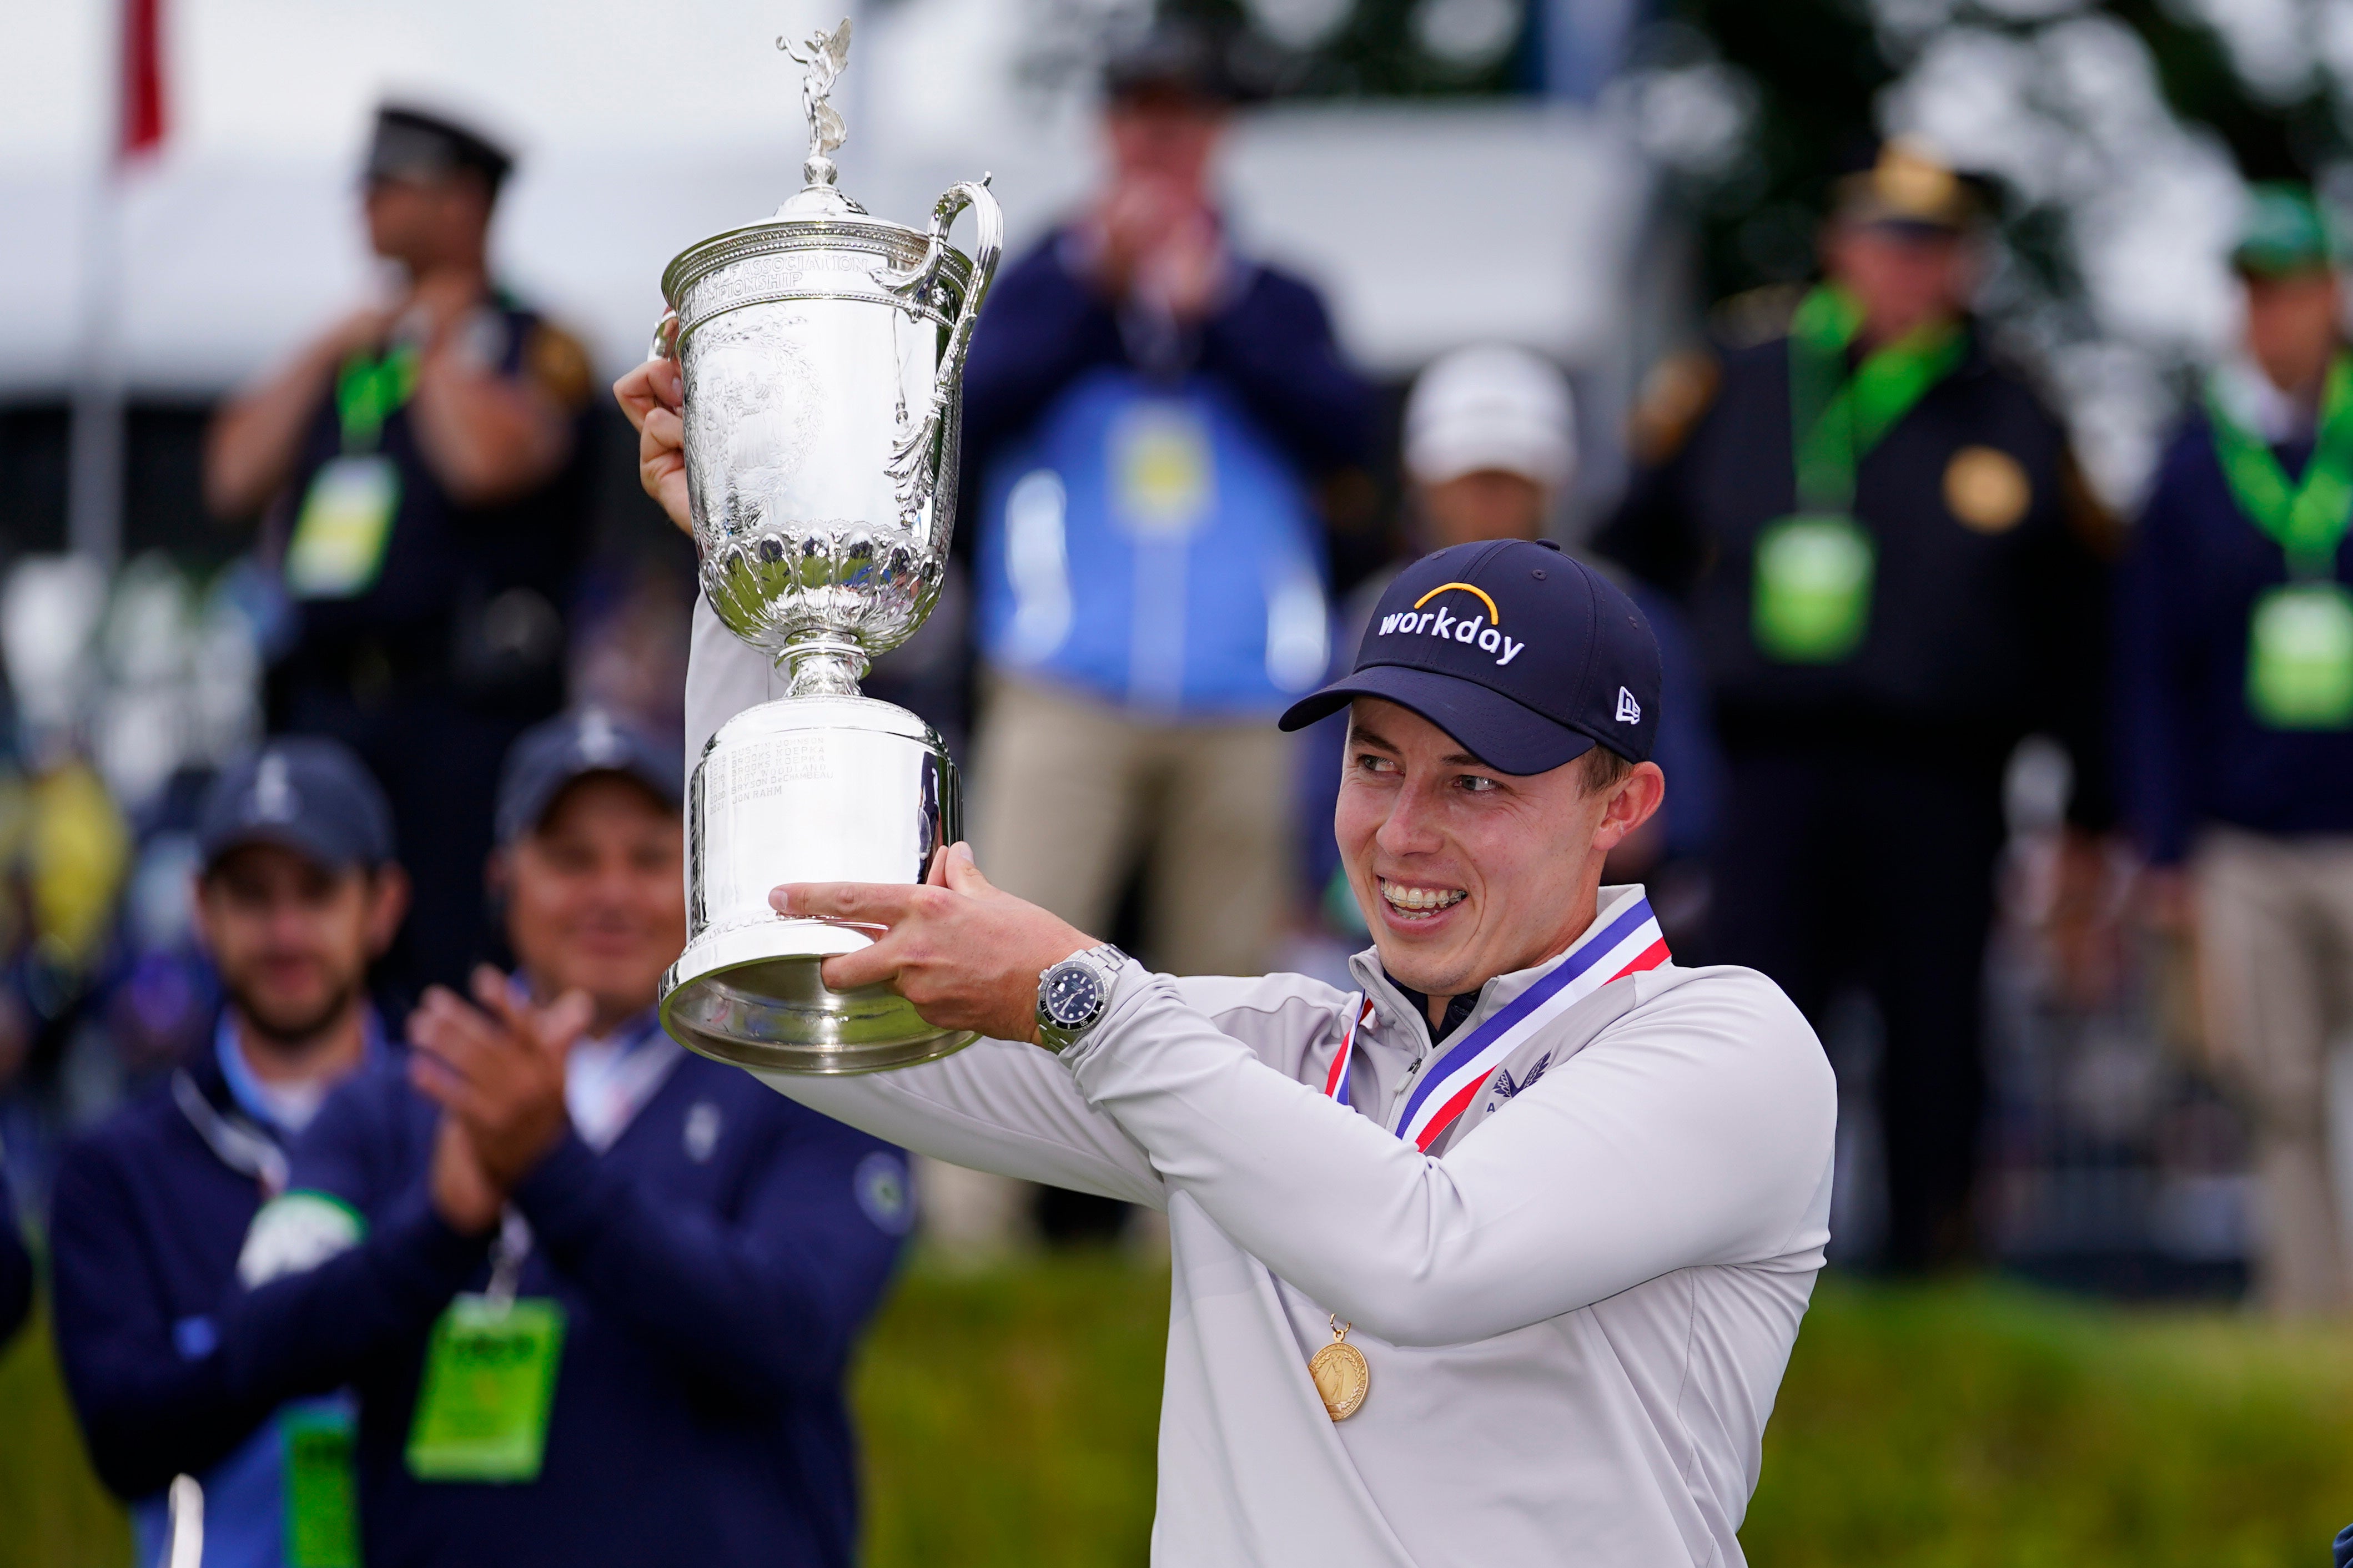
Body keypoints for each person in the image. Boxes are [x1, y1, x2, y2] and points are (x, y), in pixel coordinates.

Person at [632, 313, 1836, 1560]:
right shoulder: (1265, 1048)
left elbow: (1429, 1253)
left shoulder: (1728, 1044)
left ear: (1622, 806)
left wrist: (1084, 997)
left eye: (1475, 783)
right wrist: (750, 577)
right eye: (1375, 764)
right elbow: (791, 994)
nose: (1403, 833)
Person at [225, 709, 911, 1568]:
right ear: (502, 878)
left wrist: (551, 1167)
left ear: (703, 878)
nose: (612, 893)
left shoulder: (801, 1086)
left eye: (650, 858)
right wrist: (438, 1228)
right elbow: (257, 1344)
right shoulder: (396, 1098)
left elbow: (794, 1326)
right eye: (572, 858)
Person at [1597, 140, 2115, 1270]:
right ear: (1839, 247)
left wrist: (2089, 814)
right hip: (1763, 771)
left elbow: (2080, 625)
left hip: (1942, 778)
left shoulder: (2014, 407)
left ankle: (1935, 1269)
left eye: (1931, 246)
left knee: (1939, 1032)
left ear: (1964, 265)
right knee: (1752, 1022)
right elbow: (1627, 565)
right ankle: (1729, 1267)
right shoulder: (1737, 376)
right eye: (1886, 239)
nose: (1905, 267)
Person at [956, 19, 1371, 979]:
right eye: (1141, 115)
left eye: (1183, 117)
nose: (1160, 140)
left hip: (1246, 703)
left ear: (1221, 133)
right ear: (1104, 130)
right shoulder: (1034, 287)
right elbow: (963, 415)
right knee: (1006, 966)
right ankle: (970, 1144)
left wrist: (1215, 318)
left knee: (1226, 990)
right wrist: (1094, 291)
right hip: (1061, 684)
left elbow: (1345, 436)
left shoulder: (1277, 298)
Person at [205, 103, 597, 999]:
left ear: (462, 203)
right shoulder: (355, 348)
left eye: (391, 184)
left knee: (453, 971)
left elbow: (485, 461)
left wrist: (433, 339)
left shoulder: (535, 343)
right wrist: (334, 346)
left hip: (461, 722)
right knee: (317, 968)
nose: (366, 203)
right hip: (327, 705)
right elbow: (232, 475)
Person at [49, 739, 408, 1568]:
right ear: (200, 907)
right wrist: (316, 1317)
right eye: (251, 896)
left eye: (317, 891)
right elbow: (125, 1438)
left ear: (382, 904)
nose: (285, 931)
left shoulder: (463, 1120)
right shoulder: (119, 1168)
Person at [2119, 183, 2353, 1315]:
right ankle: (2309, 1329)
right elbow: (2152, 671)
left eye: (2294, 290)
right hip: (2245, 839)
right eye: (2255, 294)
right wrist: (2164, 847)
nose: (2277, 317)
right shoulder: (2194, 466)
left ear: (2332, 297)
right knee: (2280, 1090)